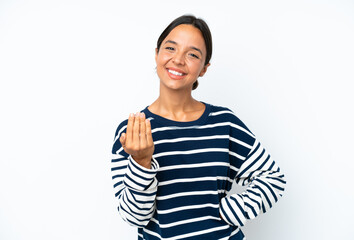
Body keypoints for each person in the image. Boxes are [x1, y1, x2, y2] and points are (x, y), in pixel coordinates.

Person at [111, 15, 286, 240]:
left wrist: (231, 210)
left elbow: (272, 178)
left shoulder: (225, 122)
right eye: (170, 48)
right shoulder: (132, 131)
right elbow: (134, 218)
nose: (178, 59)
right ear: (157, 54)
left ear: (204, 68)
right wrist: (142, 163)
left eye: (192, 54)